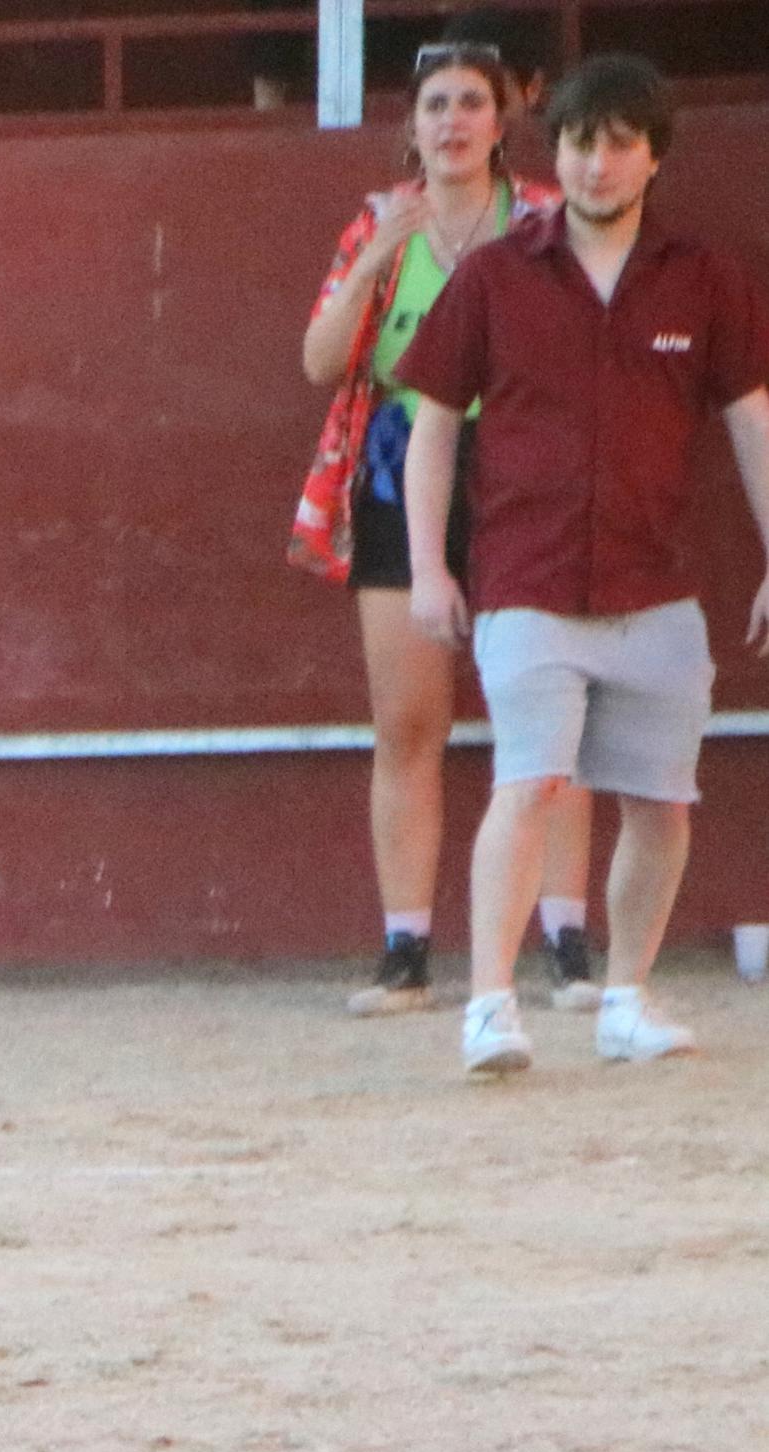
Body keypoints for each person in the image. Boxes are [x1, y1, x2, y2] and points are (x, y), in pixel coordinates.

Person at [400, 54, 769, 1076]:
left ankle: (623, 996)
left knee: (659, 801)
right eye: (574, 142)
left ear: (652, 157)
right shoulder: (493, 273)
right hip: (526, 575)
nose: (593, 164)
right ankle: (486, 1005)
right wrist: (429, 566)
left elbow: (750, 423)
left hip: (654, 585)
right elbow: (431, 430)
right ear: (550, 151)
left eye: (614, 144)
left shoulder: (703, 276)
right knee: (528, 780)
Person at [288, 29, 590, 1017]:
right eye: (434, 106)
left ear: (500, 122)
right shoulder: (374, 226)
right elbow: (322, 361)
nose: (451, 121)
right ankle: (406, 948)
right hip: (395, 463)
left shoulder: (544, 217)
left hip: (523, 469)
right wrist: (379, 247)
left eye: (469, 103)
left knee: (544, 722)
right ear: (408, 130)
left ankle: (566, 939)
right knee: (407, 720)